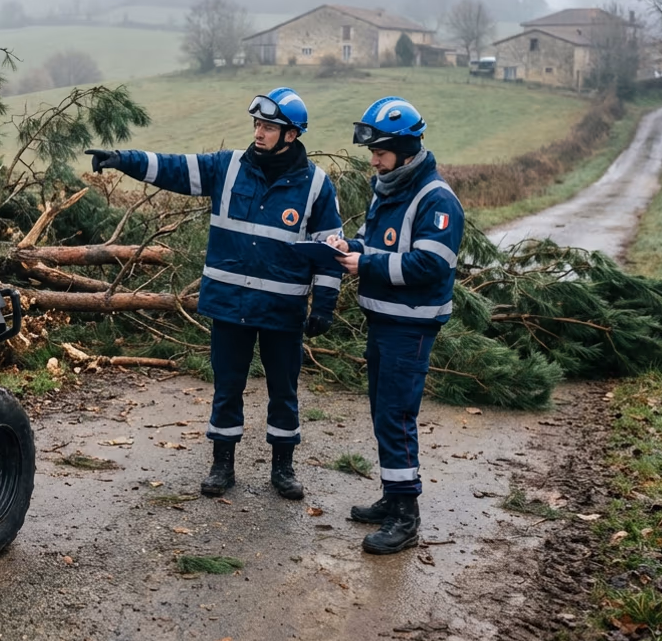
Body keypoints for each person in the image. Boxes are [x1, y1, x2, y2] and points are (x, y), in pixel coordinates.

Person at [85, 87, 343, 501]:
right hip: (230, 306)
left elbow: (331, 250)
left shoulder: (316, 186)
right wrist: (123, 160)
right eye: (257, 125)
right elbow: (171, 167)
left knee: (284, 390)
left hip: (283, 310)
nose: (259, 133)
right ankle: (222, 464)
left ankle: (284, 467)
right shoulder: (227, 168)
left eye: (269, 127)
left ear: (291, 135)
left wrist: (325, 305)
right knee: (227, 388)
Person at [328, 96, 464, 555]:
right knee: (383, 413)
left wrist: (366, 263)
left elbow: (431, 263)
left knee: (396, 416)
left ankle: (407, 519)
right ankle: (393, 497)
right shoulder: (388, 187)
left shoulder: (435, 198)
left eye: (381, 151)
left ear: (406, 149)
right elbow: (372, 243)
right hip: (383, 321)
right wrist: (342, 246)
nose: (374, 159)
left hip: (410, 327)